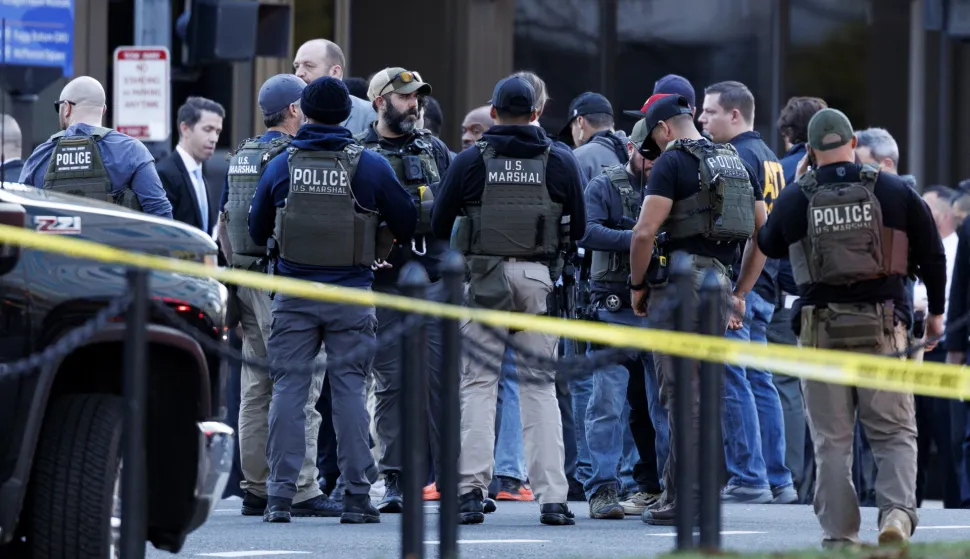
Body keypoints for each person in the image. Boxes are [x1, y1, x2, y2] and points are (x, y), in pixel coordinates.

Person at [757, 108, 946, 547]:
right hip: (883, 328)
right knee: (894, 432)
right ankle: (896, 515)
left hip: (820, 333)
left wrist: (795, 183)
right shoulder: (894, 189)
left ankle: (840, 533)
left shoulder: (800, 195)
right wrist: (934, 314)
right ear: (853, 142)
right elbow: (933, 254)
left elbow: (767, 243)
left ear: (809, 149)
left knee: (831, 442)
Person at [248, 76, 417, 524]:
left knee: (287, 391)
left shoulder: (282, 163)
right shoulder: (369, 165)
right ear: (347, 114)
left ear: (303, 112)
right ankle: (358, 497)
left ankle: (280, 497)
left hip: (294, 293)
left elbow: (256, 228)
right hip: (351, 292)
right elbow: (407, 218)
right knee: (349, 393)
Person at [431, 75, 585, 525]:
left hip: (482, 279)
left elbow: (440, 223)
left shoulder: (469, 160)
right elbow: (579, 223)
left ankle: (468, 493)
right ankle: (553, 498)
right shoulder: (559, 158)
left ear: (493, 113)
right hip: (539, 278)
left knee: (478, 386)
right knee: (539, 387)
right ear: (536, 113)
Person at [629, 93, 767, 525]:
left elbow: (643, 233)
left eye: (653, 136)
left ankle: (686, 498)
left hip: (680, 287)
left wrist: (637, 285)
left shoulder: (672, 162)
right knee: (704, 393)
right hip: (719, 286)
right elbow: (764, 236)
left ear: (665, 127)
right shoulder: (739, 160)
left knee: (681, 395)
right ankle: (689, 492)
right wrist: (740, 291)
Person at [217, 74, 340, 518]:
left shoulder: (241, 155)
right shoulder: (290, 156)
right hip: (278, 281)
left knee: (256, 388)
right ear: (293, 111)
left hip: (244, 279)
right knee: (299, 386)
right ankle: (302, 487)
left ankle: (255, 485)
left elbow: (224, 222)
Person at [357, 67, 452, 513]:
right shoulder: (357, 152)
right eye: (405, 98)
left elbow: (457, 208)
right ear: (380, 102)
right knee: (391, 384)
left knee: (440, 382)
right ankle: (394, 478)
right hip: (384, 283)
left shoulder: (434, 149)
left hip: (433, 278)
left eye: (417, 98)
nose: (415, 105)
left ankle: (448, 479)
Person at [699, 80, 796, 505]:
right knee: (760, 380)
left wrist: (737, 291)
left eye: (710, 112)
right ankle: (777, 478)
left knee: (734, 378)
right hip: (768, 282)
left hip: (743, 283)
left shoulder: (736, 155)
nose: (702, 120)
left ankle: (749, 477)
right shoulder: (772, 157)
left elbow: (747, 233)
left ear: (734, 115)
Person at [577, 118, 669, 518]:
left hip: (655, 307)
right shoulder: (604, 184)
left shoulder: (670, 184)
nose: (652, 162)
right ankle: (602, 489)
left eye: (658, 154)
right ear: (630, 148)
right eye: (646, 153)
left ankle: (666, 487)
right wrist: (638, 238)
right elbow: (586, 232)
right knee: (606, 405)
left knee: (662, 405)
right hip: (611, 307)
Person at [774, 95, 828, 503]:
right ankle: (811, 480)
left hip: (790, 295)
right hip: (838, 298)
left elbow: (770, 238)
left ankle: (789, 477)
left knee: (785, 385)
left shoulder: (785, 172)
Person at [19, 76, 172, 218]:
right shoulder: (132, 150)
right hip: (111, 246)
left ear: (67, 108)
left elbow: (19, 211)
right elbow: (160, 212)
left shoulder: (41, 154)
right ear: (103, 110)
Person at [157, 96, 225, 233]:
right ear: (185, 129)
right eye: (208, 129)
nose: (214, 139)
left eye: (217, 132)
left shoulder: (201, 174)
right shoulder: (164, 173)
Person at [292, 39, 377, 135]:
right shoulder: (289, 111)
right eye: (297, 66)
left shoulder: (368, 113)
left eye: (309, 66)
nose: (299, 73)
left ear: (335, 72)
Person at [559, 92, 628, 183]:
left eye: (571, 128)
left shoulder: (578, 157)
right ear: (612, 123)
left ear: (580, 122)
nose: (572, 135)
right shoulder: (639, 149)